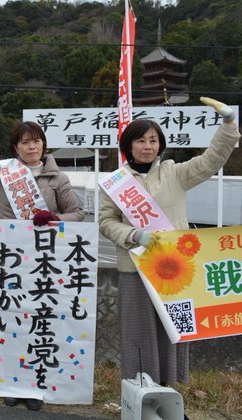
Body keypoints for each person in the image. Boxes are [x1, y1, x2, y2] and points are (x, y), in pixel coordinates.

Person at [99, 97, 240, 386]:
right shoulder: (116, 182)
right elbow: (105, 221)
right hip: (134, 267)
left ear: (160, 145)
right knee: (138, 333)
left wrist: (227, 124)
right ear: (129, 146)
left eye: (153, 140)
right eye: (140, 140)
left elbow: (211, 160)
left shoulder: (176, 173)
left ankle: (170, 393)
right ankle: (139, 395)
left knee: (173, 329)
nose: (148, 146)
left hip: (175, 269)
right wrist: (133, 235)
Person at [0, 85, 84, 411]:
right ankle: (10, 383)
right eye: (25, 142)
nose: (32, 146)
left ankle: (35, 386)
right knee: (9, 321)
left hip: (44, 262)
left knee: (39, 322)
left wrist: (53, 218)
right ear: (16, 148)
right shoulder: (4, 172)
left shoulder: (58, 178)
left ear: (44, 144)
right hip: (7, 260)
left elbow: (78, 214)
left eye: (37, 141)